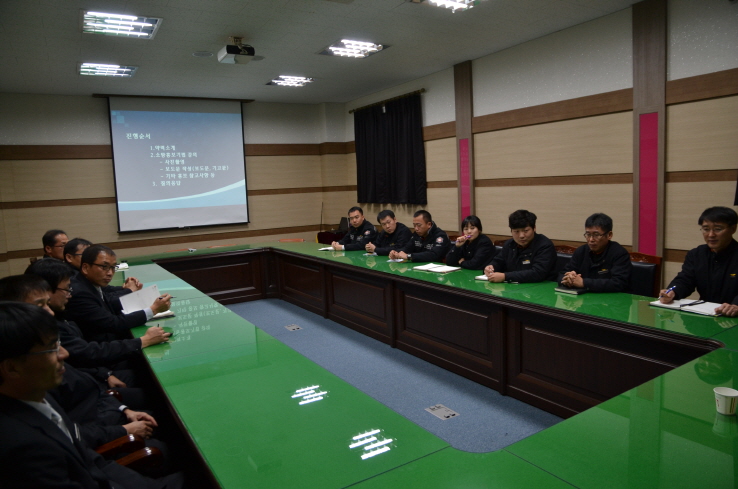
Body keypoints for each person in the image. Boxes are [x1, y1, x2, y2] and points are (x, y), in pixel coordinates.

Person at [0, 302, 185, 489]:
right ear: (12, 368)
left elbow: (87, 456)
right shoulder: (23, 447)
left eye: (58, 344)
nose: (64, 353)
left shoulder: (37, 396)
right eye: (51, 348)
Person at [23, 261, 170, 381]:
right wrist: (143, 340)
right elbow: (87, 353)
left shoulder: (61, 309)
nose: (70, 295)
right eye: (67, 289)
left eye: (112, 267)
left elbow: (80, 353)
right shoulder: (45, 324)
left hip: (97, 369)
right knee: (154, 375)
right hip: (93, 377)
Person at [64, 244, 171, 342]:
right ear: (85, 268)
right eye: (104, 267)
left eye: (113, 267)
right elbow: (113, 323)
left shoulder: (88, 283)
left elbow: (109, 303)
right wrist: (153, 310)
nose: (110, 273)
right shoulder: (80, 292)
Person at [659, 206, 738, 317]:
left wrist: (736, 305)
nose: (711, 235)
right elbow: (685, 280)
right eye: (706, 229)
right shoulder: (697, 254)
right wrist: (672, 292)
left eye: (718, 229)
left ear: (733, 229)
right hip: (706, 314)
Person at [557, 213, 632, 292]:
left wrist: (584, 283)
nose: (591, 239)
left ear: (609, 235)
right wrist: (568, 279)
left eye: (596, 235)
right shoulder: (581, 251)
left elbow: (619, 283)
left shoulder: (619, 253)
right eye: (588, 234)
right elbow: (561, 274)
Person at [484, 209, 557, 283]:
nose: (521, 236)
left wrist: (505, 277)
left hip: (541, 286)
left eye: (526, 231)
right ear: (511, 231)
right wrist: (491, 267)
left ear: (534, 228)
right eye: (516, 231)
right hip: (514, 286)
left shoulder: (544, 245)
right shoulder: (509, 244)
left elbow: (538, 273)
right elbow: (499, 261)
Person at [61, 237, 143, 295]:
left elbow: (104, 289)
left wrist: (125, 288)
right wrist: (128, 290)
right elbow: (107, 298)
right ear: (69, 257)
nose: (88, 258)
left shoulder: (80, 273)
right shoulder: (71, 278)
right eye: (85, 254)